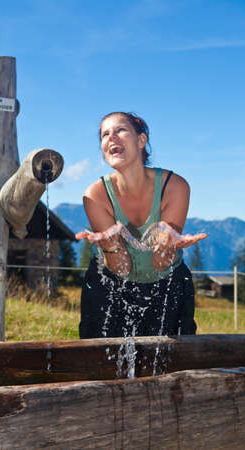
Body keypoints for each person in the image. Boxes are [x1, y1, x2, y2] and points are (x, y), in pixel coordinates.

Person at [76, 112, 207, 339]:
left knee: (175, 365)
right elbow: (122, 268)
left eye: (120, 130)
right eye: (105, 134)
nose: (111, 138)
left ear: (141, 141)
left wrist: (171, 245)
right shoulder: (95, 195)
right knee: (100, 363)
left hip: (168, 284)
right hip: (110, 286)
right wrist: (109, 245)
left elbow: (159, 263)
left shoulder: (174, 186)